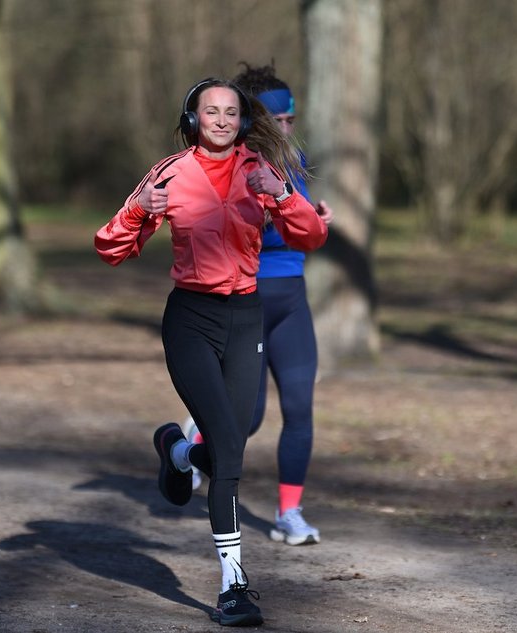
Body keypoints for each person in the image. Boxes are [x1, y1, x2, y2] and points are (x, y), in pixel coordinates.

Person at [94, 77, 327, 627]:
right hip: (191, 320)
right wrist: (137, 211)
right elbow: (109, 248)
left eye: (230, 111)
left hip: (247, 317)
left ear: (243, 120)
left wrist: (285, 196)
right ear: (193, 117)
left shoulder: (261, 172)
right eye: (210, 111)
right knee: (227, 447)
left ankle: (175, 451)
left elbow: (312, 237)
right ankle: (233, 587)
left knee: (230, 444)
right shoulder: (169, 172)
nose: (220, 119)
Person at [183, 63, 334, 547]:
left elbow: (304, 224)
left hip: (292, 301)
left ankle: (290, 513)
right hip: (247, 302)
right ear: (255, 122)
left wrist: (313, 214)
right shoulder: (235, 168)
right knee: (247, 421)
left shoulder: (295, 160)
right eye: (279, 120)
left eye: (292, 118)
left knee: (300, 408)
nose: (288, 127)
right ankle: (193, 447)